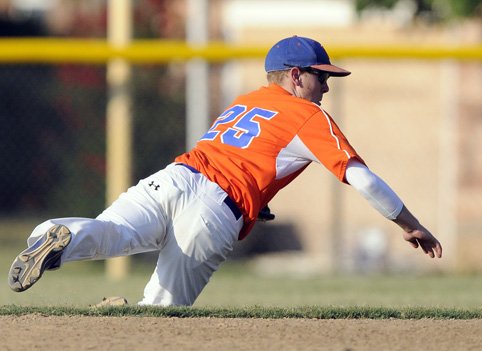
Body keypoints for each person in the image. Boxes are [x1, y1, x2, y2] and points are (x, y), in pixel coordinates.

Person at [8, 35, 442, 306]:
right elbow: (363, 179)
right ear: (295, 76)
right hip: (215, 210)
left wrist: (260, 198)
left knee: (110, 233)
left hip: (175, 177)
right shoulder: (309, 116)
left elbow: (246, 156)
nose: (326, 86)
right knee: (162, 314)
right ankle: (134, 314)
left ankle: (55, 234)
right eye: (320, 76)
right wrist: (411, 223)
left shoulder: (245, 100)